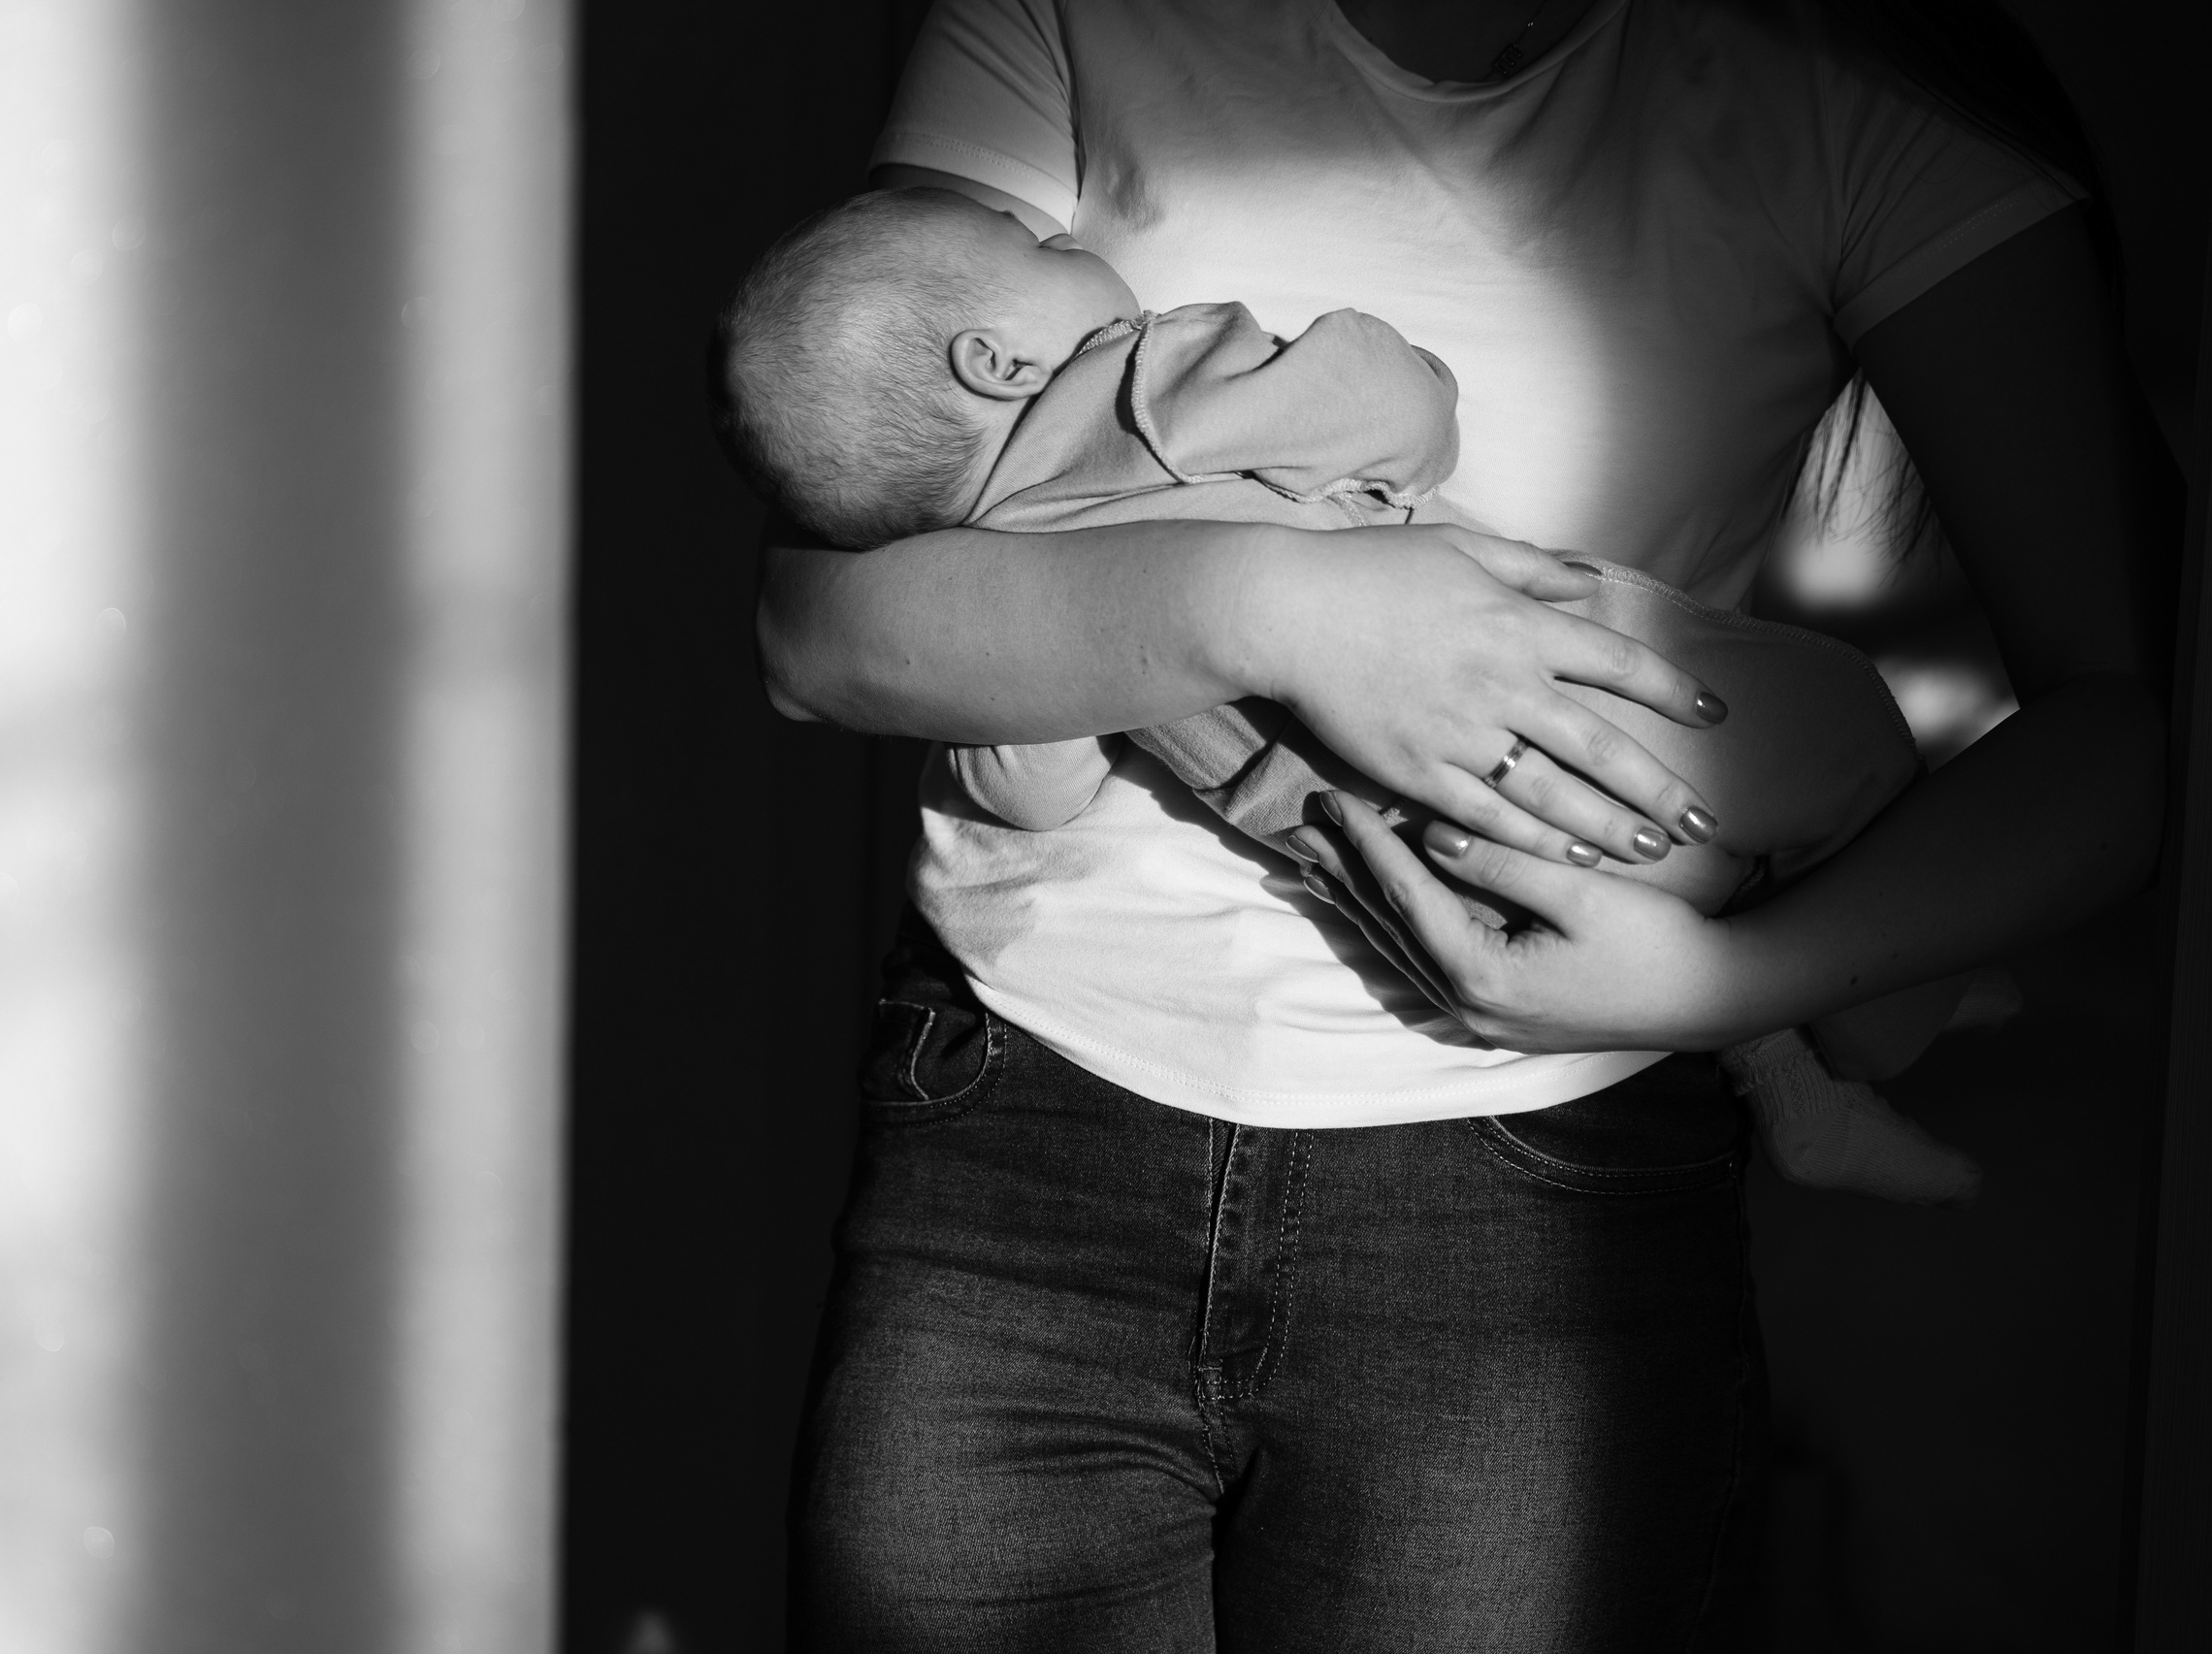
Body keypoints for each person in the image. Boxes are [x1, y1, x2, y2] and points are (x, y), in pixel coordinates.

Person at [761, 1, 2171, 1649]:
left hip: (1530, 1175)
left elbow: (2119, 745)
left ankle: (1819, 1029)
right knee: (1821, 742)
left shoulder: (1851, 104)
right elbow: (825, 630)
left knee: (1774, 780)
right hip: (1022, 1140)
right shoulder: (1074, 67)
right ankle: (1841, 1036)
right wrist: (1287, 608)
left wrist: (1718, 988)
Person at [714, 183, 1996, 1202]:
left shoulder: (1003, 602)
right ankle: (1889, 1025)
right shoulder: (1144, 387)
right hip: (1570, 704)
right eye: (1040, 239)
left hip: (1420, 881)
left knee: (1710, 901)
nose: (1069, 247)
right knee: (1847, 736)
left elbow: (1029, 789)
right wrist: (1389, 386)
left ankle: (1804, 1095)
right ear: (999, 361)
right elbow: (1393, 407)